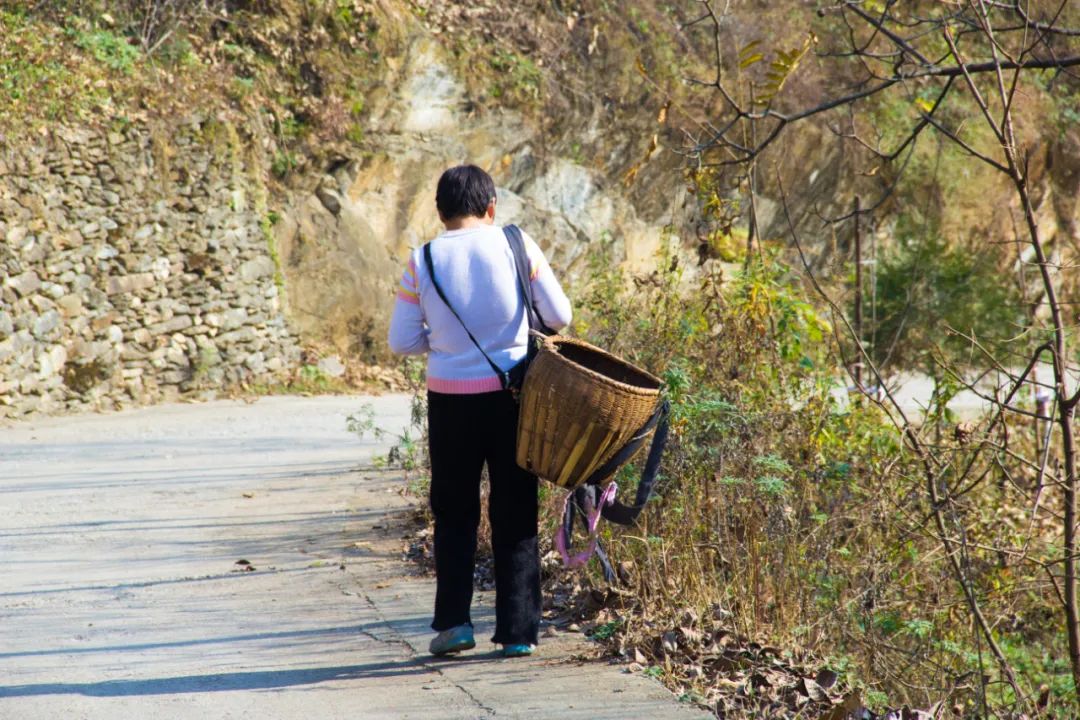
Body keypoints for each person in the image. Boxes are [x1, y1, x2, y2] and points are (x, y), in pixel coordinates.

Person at [387, 165, 573, 658]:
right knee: (515, 510)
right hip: (512, 397)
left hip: (449, 402)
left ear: (440, 211)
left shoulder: (421, 259)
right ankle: (517, 633)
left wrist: (444, 344)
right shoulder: (516, 244)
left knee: (454, 513)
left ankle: (454, 625)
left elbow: (401, 340)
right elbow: (559, 316)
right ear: (491, 207)